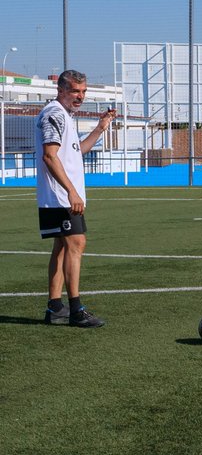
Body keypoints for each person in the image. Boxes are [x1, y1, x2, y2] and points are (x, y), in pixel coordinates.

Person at [36, 70, 117, 328]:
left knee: (62, 247)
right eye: (75, 91)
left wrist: (100, 128)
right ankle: (75, 310)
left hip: (62, 196)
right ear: (61, 90)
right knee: (76, 244)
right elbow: (50, 156)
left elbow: (76, 151)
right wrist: (71, 191)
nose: (80, 96)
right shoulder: (54, 114)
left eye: (83, 91)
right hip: (61, 197)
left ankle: (55, 308)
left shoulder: (65, 116)